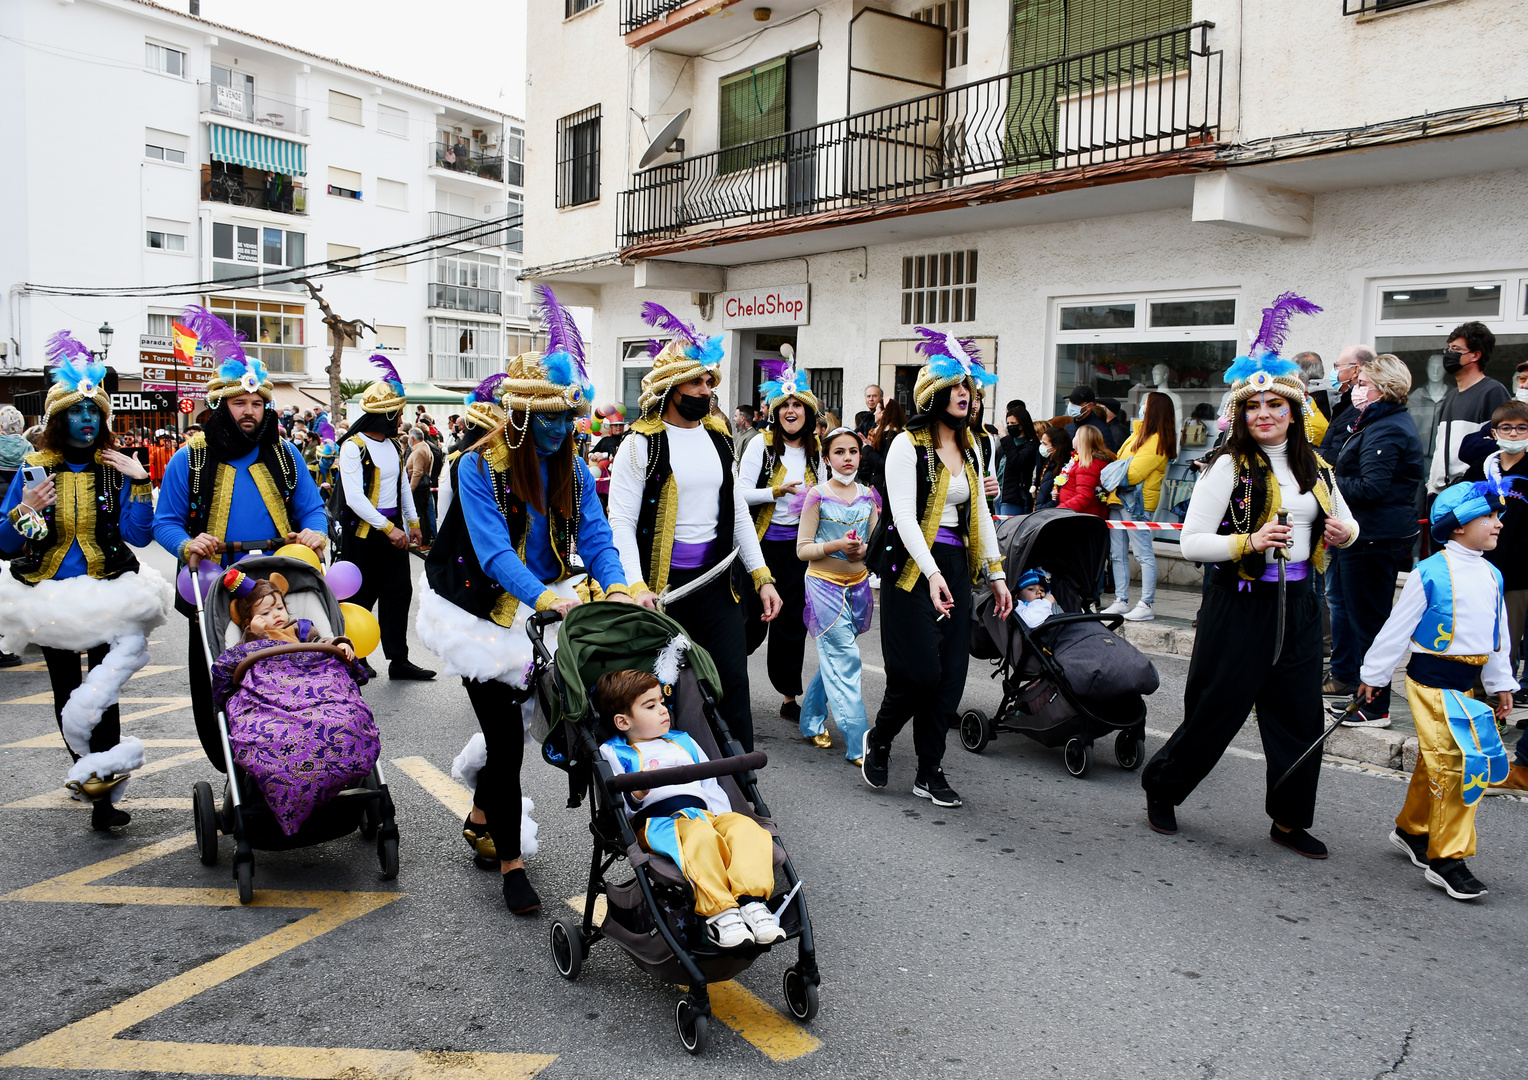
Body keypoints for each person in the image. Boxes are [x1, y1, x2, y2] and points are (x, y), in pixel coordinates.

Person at [420, 303, 633, 913]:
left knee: (582, 717)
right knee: (509, 741)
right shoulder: (473, 467)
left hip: (551, 605)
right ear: (518, 415)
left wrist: (615, 588)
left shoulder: (576, 467)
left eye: (569, 417)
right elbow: (490, 553)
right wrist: (544, 599)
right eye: (548, 417)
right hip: (481, 612)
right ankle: (512, 862)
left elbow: (594, 537)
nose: (561, 428)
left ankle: (484, 810)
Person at [1142, 293, 1358, 857]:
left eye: (1276, 405)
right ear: (1240, 414)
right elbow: (1190, 543)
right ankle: (1162, 789)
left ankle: (1289, 820)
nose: (1265, 414)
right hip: (1239, 606)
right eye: (1254, 406)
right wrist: (1250, 541)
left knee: (1299, 717)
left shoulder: (1317, 466)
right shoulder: (1225, 467)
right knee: (1216, 710)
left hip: (1303, 606)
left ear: (1294, 410)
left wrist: (1343, 533)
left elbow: (1349, 523)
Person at [0, 333, 171, 831]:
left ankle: (103, 795)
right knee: (65, 693)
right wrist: (25, 510)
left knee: (106, 690)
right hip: (50, 599)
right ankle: (85, 768)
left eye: (95, 412)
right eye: (77, 412)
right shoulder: (33, 469)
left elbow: (139, 537)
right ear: (58, 420)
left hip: (108, 594)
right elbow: (7, 546)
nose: (87, 420)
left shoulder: (115, 471)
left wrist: (141, 483)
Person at [153, 306, 328, 759]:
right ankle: (234, 767)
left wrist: (314, 533)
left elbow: (312, 510)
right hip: (212, 594)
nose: (249, 412)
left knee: (293, 678)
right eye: (239, 403)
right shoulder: (188, 459)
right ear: (220, 407)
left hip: (278, 592)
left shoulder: (287, 455)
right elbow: (165, 523)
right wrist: (187, 544)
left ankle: (293, 756)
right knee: (219, 686)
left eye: (256, 404)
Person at [607, 302, 781, 753]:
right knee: (660, 694)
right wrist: (636, 585)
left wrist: (761, 576)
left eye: (710, 382)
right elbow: (620, 523)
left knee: (730, 686)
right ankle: (672, 780)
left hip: (717, 587)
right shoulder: (638, 445)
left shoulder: (721, 439)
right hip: (661, 594)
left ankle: (740, 785)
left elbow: (737, 512)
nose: (707, 390)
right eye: (698, 382)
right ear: (671, 387)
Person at [861, 328, 1012, 808]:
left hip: (955, 565)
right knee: (920, 674)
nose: (965, 394)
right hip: (911, 567)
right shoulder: (908, 444)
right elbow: (903, 516)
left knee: (949, 680)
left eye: (969, 387)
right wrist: (930, 574)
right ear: (934, 395)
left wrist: (997, 574)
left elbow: (981, 515)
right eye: (955, 386)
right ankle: (880, 740)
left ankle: (930, 770)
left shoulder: (973, 447)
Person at [1359, 480, 1518, 900]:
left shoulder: (1492, 573)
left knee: (1437, 764)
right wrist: (1374, 675)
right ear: (1460, 526)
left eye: (1498, 515)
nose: (1498, 524)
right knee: (1461, 766)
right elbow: (1398, 629)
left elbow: (1497, 634)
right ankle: (1447, 858)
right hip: (1431, 684)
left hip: (1467, 687)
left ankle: (1412, 830)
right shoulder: (1429, 571)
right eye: (1489, 516)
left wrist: (1502, 682)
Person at [594, 669, 784, 948]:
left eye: (662, 702)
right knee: (699, 837)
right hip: (657, 821)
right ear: (623, 721)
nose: (663, 710)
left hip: (703, 814)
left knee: (746, 829)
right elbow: (617, 805)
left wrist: (722, 819)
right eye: (650, 706)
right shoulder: (615, 752)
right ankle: (721, 912)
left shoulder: (683, 740)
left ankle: (752, 902)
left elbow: (709, 783)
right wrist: (635, 794)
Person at [1325, 354, 1424, 728]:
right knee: (1354, 614)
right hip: (1367, 533)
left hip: (1374, 536)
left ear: (1383, 388)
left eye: (1364, 382)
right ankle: (1362, 696)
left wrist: (1327, 484)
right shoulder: (1377, 421)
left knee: (1369, 622)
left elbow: (1371, 486)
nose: (1357, 388)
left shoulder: (1388, 428)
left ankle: (1376, 706)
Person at [335, 356, 432, 681]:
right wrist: (390, 529)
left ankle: (399, 660)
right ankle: (355, 656)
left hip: (394, 532)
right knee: (360, 596)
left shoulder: (393, 445)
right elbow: (355, 499)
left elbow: (403, 486)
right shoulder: (352, 447)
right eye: (399, 413)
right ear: (387, 414)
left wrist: (413, 523)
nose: (402, 418)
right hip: (363, 534)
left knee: (398, 593)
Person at [739, 357, 819, 724]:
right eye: (784, 405)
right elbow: (740, 495)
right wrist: (775, 491)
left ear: (808, 411)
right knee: (750, 623)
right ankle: (725, 681)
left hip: (801, 551)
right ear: (775, 411)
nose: (791, 410)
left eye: (797, 404)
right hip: (761, 547)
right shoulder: (761, 445)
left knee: (792, 625)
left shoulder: (819, 450)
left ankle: (789, 696)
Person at [794, 427, 879, 761]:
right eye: (840, 452)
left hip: (857, 587)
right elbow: (803, 549)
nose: (848, 458)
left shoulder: (869, 495)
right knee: (846, 659)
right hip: (823, 586)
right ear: (827, 458)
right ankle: (860, 744)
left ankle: (811, 721)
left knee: (835, 658)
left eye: (853, 451)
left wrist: (863, 552)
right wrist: (836, 546)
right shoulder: (818, 495)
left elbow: (875, 545)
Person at [1318, 343, 1376, 698]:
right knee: (1337, 599)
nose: (1336, 373)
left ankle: (1353, 676)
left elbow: (1369, 484)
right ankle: (1343, 671)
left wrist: (1330, 476)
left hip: (1362, 526)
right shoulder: (1348, 411)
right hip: (1344, 521)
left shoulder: (1382, 425)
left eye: (1338, 366)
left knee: (1349, 605)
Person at [1464, 399, 1528, 714]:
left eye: (1521, 428)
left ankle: (1497, 705)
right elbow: (1463, 510)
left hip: (1517, 573)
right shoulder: (1482, 468)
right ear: (1494, 432)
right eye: (1506, 428)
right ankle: (1474, 700)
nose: (1514, 434)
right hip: (1480, 566)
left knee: (1507, 643)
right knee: (1475, 634)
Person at [1103, 391, 1177, 622]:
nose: (1141, 407)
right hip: (1118, 499)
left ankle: (1146, 603)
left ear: (1153, 409)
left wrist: (1114, 471)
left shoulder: (1157, 441)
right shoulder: (1138, 435)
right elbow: (1120, 467)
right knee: (1117, 554)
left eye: (1145, 404)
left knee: (1143, 554)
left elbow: (1131, 474)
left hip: (1136, 504)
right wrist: (1117, 470)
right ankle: (1121, 600)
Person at [1428, 321, 1511, 495]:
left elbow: (1500, 447)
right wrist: (1431, 488)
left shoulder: (1493, 392)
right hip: (1441, 494)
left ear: (1475, 355)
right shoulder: (1451, 396)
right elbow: (1440, 447)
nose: (1449, 354)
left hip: (1471, 492)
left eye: (1456, 349)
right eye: (1448, 349)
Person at [1055, 425, 1112, 519]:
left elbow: (1084, 496)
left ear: (1082, 441)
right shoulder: (1080, 461)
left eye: (1076, 435)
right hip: (1076, 513)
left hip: (1080, 515)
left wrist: (1060, 510)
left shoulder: (1088, 465)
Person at [857, 398, 904, 501]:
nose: (874, 414)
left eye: (876, 410)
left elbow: (885, 462)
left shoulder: (891, 435)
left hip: (883, 488)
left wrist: (867, 449)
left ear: (883, 412)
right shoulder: (885, 433)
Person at [995, 403, 1038, 516]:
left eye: (1013, 423)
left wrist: (1006, 438)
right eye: (1008, 423)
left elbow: (1016, 462)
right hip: (999, 494)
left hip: (1014, 497)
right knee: (999, 532)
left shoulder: (1031, 444)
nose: (1009, 426)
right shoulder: (1007, 442)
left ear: (1022, 424)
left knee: (1008, 531)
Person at [405, 427, 436, 547]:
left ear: (412, 439)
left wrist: (410, 489)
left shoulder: (418, 451)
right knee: (424, 514)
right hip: (424, 486)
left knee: (420, 514)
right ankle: (425, 541)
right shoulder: (424, 447)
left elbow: (417, 472)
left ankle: (422, 542)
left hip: (418, 487)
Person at [1033, 425, 1072, 511]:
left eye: (1045, 444)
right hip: (1042, 509)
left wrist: (1045, 507)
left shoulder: (1063, 468)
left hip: (1047, 511)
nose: (1041, 446)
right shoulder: (1048, 463)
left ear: (1056, 447)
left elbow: (1056, 498)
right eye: (1041, 442)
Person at [1064, 385, 1113, 449]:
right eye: (1071, 402)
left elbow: (1108, 455)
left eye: (1077, 403)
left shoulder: (1100, 430)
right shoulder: (1068, 428)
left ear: (1089, 406)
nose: (1072, 406)